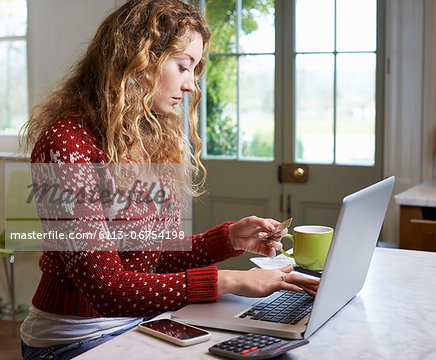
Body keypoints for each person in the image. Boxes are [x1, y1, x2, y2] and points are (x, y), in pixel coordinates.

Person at [19, 0, 319, 359]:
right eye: (183, 66)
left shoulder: (149, 136)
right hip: (75, 340)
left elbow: (149, 259)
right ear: (138, 60)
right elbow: (107, 288)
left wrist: (227, 240)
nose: (191, 85)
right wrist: (232, 281)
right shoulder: (66, 142)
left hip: (144, 322)